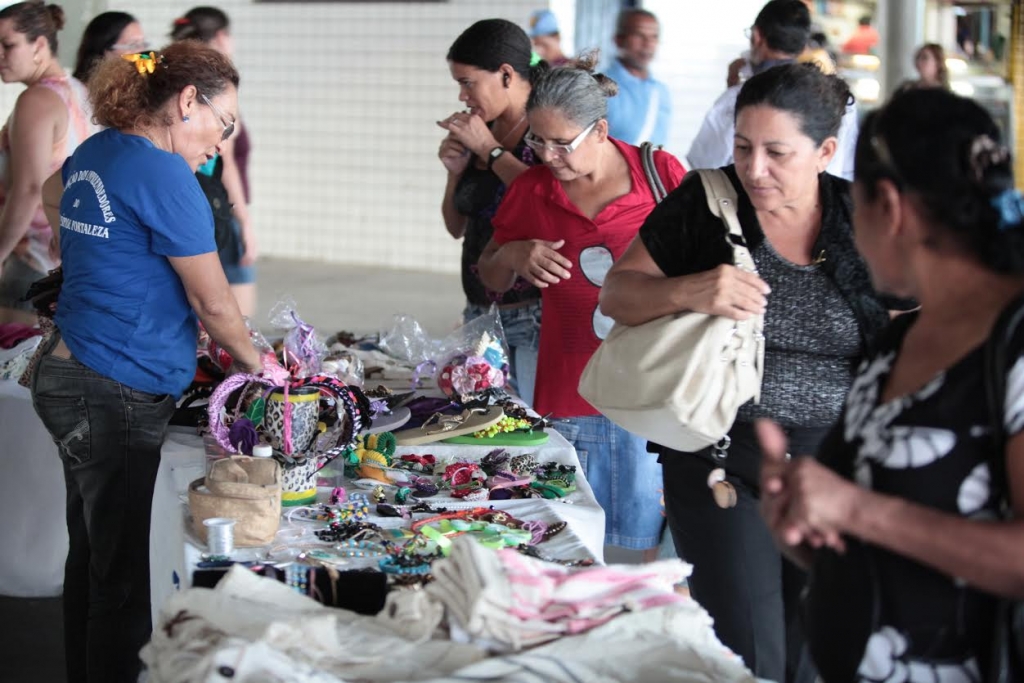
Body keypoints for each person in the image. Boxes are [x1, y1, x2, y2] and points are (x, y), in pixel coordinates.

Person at [601, 63, 909, 683]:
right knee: (751, 650)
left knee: (816, 651)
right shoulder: (706, 202)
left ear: (825, 152)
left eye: (776, 152)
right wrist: (692, 290)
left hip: (836, 469)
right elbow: (617, 294)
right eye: (743, 147)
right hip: (722, 460)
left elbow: (913, 322)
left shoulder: (864, 218)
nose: (754, 168)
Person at [757, 87, 1024, 683]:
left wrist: (856, 508)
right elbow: (871, 533)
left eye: (856, 207)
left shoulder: (1013, 345)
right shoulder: (897, 344)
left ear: (890, 207)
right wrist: (803, 523)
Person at [32, 41, 269, 683]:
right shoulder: (166, 175)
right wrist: (261, 366)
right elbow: (213, 303)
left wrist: (94, 268)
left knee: (93, 553)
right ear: (188, 101)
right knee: (123, 579)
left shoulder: (98, 151)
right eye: (222, 124)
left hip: (70, 372)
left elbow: (53, 196)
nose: (218, 144)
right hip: (111, 384)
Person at [477, 57, 686, 556]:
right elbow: (489, 275)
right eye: (538, 141)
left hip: (651, 395)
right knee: (572, 547)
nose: (549, 156)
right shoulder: (532, 190)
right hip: (570, 397)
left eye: (562, 143)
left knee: (642, 553)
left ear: (601, 131)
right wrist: (512, 254)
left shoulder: (660, 175)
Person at [438, 18, 546, 406]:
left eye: (468, 83)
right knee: (479, 421)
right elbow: (456, 226)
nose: (463, 96)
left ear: (505, 74)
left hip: (532, 316)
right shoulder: (482, 129)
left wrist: (489, 149)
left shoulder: (546, 129)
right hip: (480, 314)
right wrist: (454, 172)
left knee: (532, 427)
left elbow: (544, 198)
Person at [688, 0, 859, 181]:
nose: (757, 169)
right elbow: (849, 168)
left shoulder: (738, 99)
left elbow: (704, 166)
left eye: (777, 152)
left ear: (756, 36)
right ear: (803, 46)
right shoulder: (840, 102)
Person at [0, 1, 95, 324]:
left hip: (31, 261)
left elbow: (29, 189)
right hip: (66, 258)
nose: (0, 55)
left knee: (14, 354)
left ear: (39, 45)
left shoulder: (36, 100)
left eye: (8, 45)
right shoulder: (78, 90)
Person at [171, 6, 257, 316]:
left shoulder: (176, 78)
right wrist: (245, 224)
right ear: (221, 37)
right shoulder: (217, 89)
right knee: (235, 314)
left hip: (189, 200)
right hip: (215, 205)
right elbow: (227, 163)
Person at [603, 9, 671, 148]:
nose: (648, 44)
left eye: (654, 36)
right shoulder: (599, 87)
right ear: (619, 40)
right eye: (639, 35)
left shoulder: (661, 91)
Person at [73, 10, 146, 82]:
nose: (141, 53)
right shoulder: (77, 88)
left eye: (142, 44)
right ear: (106, 51)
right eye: (133, 45)